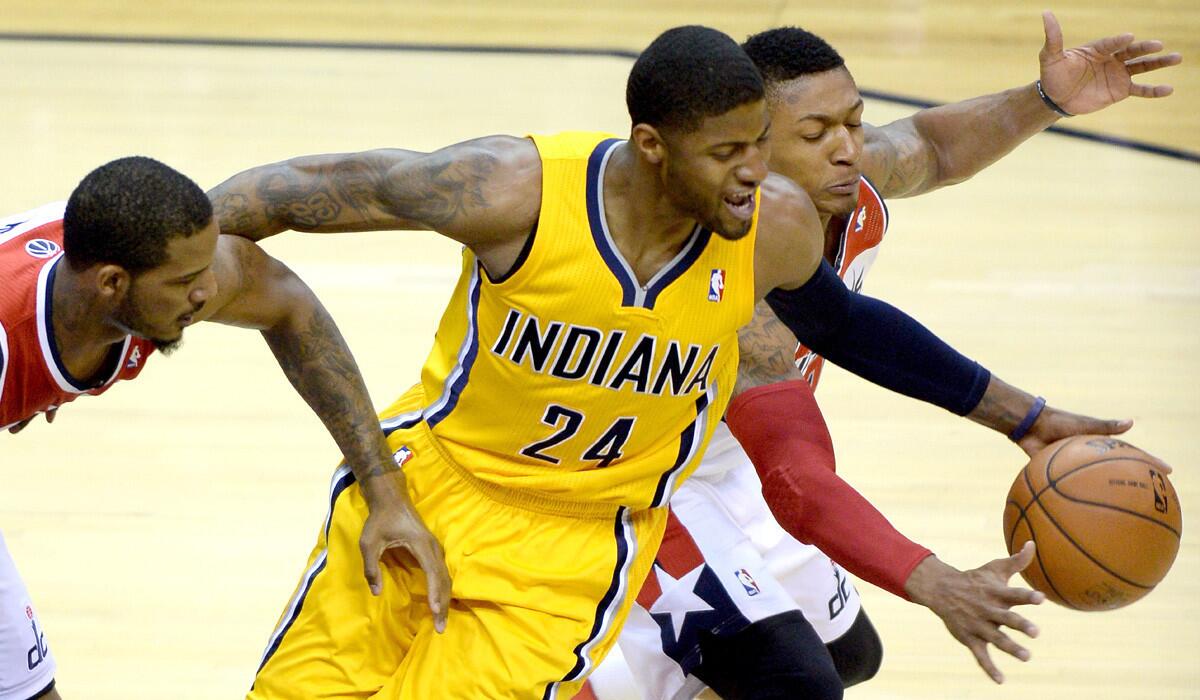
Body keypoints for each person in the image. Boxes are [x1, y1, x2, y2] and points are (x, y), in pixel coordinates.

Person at [209, 24, 1078, 700]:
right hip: (438, 485)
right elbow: (289, 190)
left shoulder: (770, 226)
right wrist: (145, 264)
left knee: (832, 663)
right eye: (731, 153)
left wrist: (1027, 421)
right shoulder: (515, 190)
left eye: (762, 148)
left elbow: (852, 326)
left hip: (582, 539)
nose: (755, 175)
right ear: (653, 146)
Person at [578, 12, 1181, 700]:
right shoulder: (729, 276)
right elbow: (796, 476)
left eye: (855, 121)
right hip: (645, 480)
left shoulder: (846, 184)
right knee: (793, 682)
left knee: (850, 655)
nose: (849, 149)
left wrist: (1046, 101)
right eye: (816, 133)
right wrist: (929, 576)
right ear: (751, 152)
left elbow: (932, 145)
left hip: (725, 460)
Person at [0, 156, 450, 700]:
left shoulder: (126, 269)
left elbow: (286, 303)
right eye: (187, 281)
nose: (206, 291)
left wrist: (384, 489)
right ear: (112, 285)